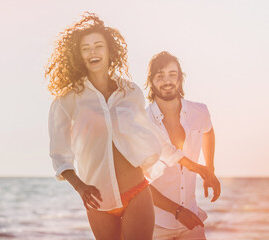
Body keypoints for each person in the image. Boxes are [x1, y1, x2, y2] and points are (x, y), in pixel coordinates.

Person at [46, 13, 216, 240]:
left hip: (137, 190)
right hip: (99, 200)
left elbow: (154, 137)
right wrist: (80, 187)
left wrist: (196, 166)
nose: (93, 52)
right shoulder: (66, 101)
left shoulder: (130, 92)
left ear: (109, 52)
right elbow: (59, 155)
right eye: (86, 48)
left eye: (98, 46)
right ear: (79, 55)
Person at [144, 51, 221, 240]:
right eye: (160, 76)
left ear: (180, 79)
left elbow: (208, 131)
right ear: (151, 81)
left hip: (191, 219)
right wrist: (177, 211)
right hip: (155, 224)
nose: (167, 81)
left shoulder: (199, 111)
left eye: (172, 74)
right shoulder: (143, 122)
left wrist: (209, 170)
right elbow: (139, 183)